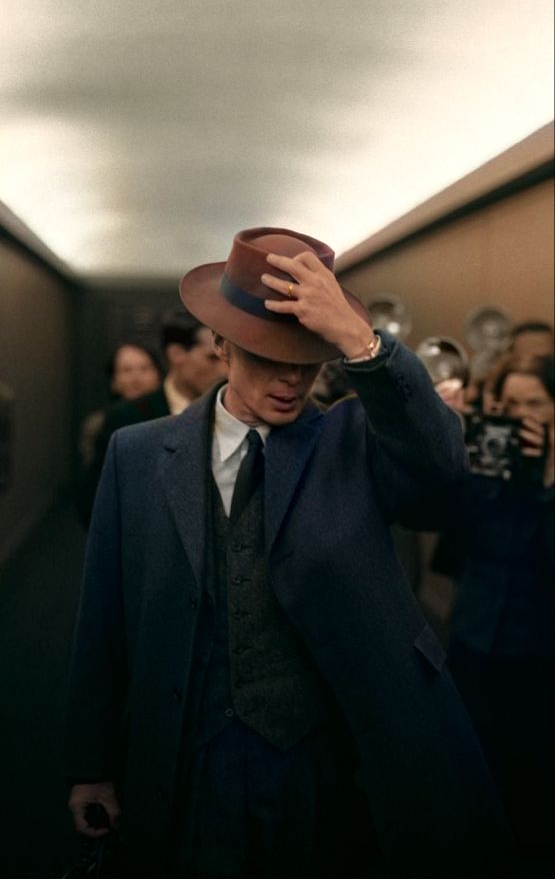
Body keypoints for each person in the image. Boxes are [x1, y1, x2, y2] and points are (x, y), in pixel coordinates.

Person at [64, 227, 509, 879]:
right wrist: (91, 765)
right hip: (189, 756)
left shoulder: (352, 440)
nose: (289, 379)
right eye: (267, 356)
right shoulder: (137, 454)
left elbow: (443, 470)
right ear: (219, 343)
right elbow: (103, 618)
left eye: (305, 359)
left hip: (320, 764)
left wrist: (362, 344)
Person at [445, 355, 554, 871]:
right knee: (473, 791)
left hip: (540, 662)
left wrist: (550, 480)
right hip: (474, 645)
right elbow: (447, 546)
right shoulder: (487, 469)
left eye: (534, 404)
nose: (521, 416)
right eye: (510, 405)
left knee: (533, 799)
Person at [77, 311, 226, 526]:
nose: (223, 370)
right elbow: (94, 504)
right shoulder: (127, 417)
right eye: (212, 358)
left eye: (226, 359)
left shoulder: (234, 412)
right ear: (176, 354)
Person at [78, 342, 163, 469]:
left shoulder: (172, 416)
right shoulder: (98, 424)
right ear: (113, 380)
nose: (136, 378)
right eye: (127, 370)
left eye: (144, 369)